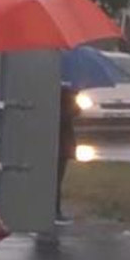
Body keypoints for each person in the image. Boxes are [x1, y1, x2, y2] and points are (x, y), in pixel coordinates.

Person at [56, 85, 79, 223]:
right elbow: (74, 112)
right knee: (56, 181)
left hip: (60, 146)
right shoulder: (65, 98)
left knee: (55, 181)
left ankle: (54, 210)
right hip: (61, 146)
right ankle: (55, 211)